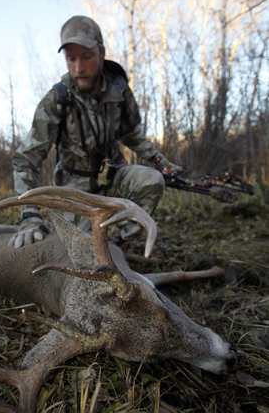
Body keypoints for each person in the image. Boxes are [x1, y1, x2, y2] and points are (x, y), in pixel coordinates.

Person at [10, 15, 182, 249]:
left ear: (101, 53)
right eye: (71, 59)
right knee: (77, 251)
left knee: (152, 179)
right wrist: (29, 216)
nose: (79, 68)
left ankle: (123, 246)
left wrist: (160, 160)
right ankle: (88, 236)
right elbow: (25, 160)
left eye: (87, 57)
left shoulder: (119, 89)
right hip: (76, 189)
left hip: (114, 177)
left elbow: (131, 134)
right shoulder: (57, 99)